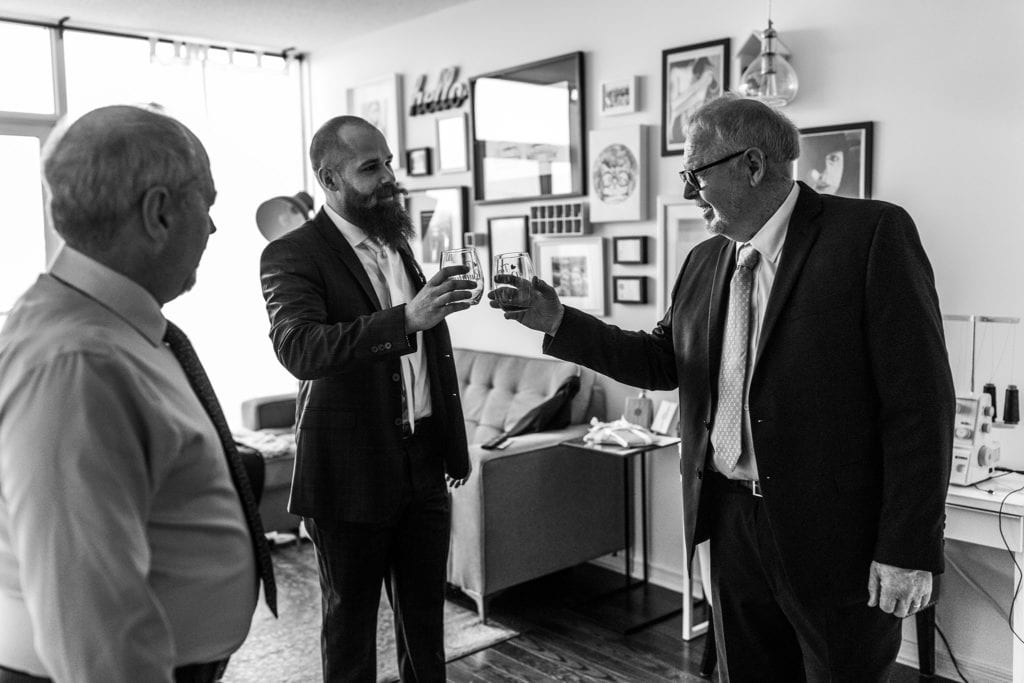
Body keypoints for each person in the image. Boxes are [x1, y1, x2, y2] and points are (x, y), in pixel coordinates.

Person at [491, 94, 954, 681]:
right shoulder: (705, 259)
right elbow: (663, 362)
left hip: (838, 538)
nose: (687, 190)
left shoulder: (870, 235)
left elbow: (920, 405)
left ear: (753, 165)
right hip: (731, 525)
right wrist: (559, 322)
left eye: (694, 174)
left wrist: (908, 548)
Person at [0, 105, 274, 682]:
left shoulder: (110, 331)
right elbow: (92, 622)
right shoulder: (77, 364)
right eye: (210, 204)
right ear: (159, 214)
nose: (215, 228)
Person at [259, 115, 474, 682]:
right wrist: (408, 317)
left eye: (389, 163)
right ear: (330, 179)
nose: (389, 178)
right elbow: (299, 348)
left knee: (426, 618)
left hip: (425, 461)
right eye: (371, 167)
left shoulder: (397, 239)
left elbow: (424, 349)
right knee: (350, 624)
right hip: (349, 471)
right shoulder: (291, 254)